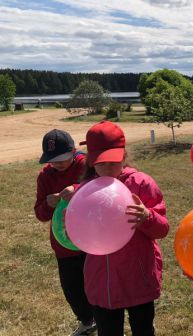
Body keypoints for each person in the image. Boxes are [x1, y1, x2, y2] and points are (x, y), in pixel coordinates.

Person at [79, 121, 169, 336]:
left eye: (114, 162)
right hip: (101, 280)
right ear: (91, 161)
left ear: (124, 155)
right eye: (102, 163)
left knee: (143, 329)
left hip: (137, 276)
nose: (108, 169)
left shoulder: (142, 184)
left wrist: (147, 217)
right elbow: (79, 232)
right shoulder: (86, 191)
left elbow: (162, 230)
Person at [34, 129, 96, 336]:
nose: (58, 164)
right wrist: (48, 204)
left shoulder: (87, 165)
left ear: (74, 151)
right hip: (64, 242)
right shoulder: (45, 176)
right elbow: (40, 214)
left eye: (62, 158)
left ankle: (106, 323)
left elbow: (101, 190)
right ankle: (87, 321)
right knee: (72, 289)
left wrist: (78, 187)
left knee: (96, 285)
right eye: (53, 160)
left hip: (91, 239)